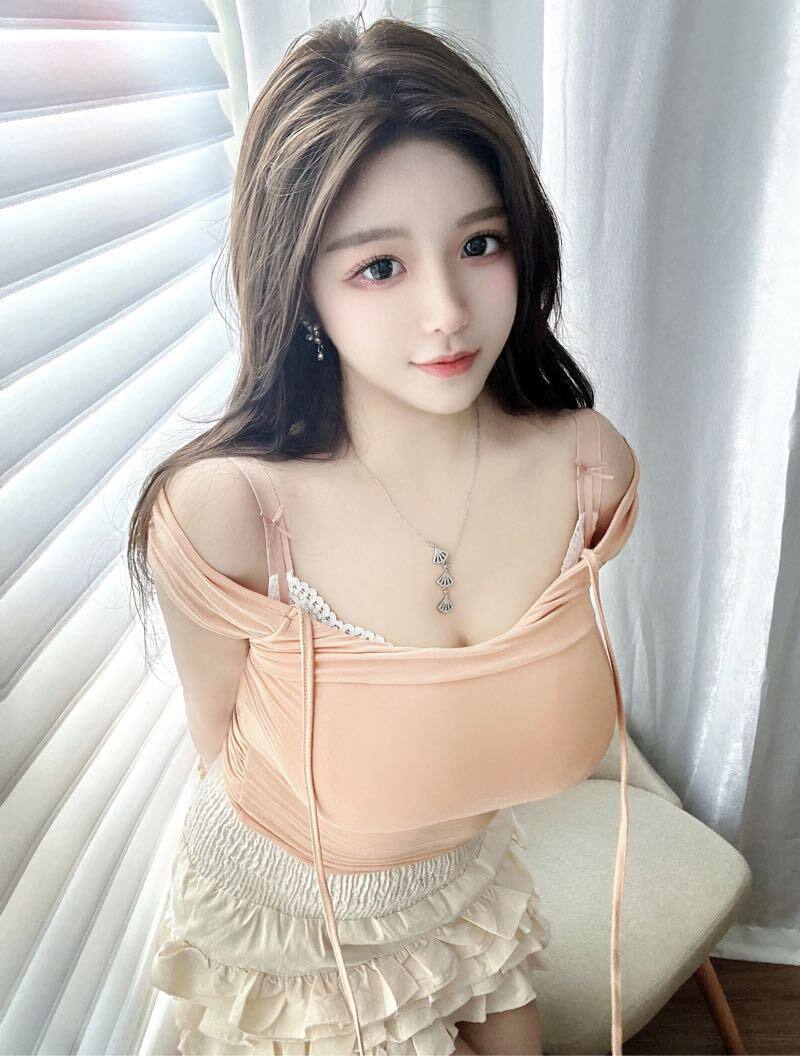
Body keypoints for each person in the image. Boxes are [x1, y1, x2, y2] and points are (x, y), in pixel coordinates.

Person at [127, 15, 640, 1056]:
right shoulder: (230, 514)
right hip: (291, 930)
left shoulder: (589, 468)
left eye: (479, 245)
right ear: (301, 288)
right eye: (378, 267)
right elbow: (217, 740)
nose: (447, 311)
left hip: (465, 885)